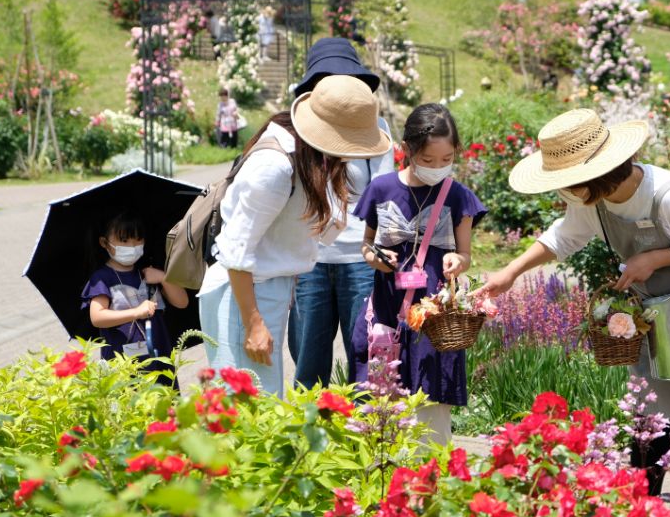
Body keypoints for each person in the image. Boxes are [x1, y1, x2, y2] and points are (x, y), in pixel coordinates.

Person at [475, 108, 670, 496]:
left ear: (593, 178)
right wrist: (510, 273)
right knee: (650, 406)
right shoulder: (594, 202)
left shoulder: (669, 195)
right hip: (657, 303)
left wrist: (654, 258)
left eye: (567, 182)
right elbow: (563, 237)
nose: (562, 191)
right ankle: (641, 508)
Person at [198, 76, 392, 397]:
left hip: (265, 289)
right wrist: (253, 323)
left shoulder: (309, 156)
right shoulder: (274, 167)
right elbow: (235, 249)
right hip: (241, 295)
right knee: (243, 406)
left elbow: (312, 230)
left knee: (263, 402)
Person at [350, 103, 487, 445]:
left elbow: (466, 253)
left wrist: (458, 259)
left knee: (431, 400)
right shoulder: (381, 189)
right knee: (382, 396)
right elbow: (366, 243)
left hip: (434, 316)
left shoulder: (458, 196)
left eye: (447, 159)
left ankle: (431, 478)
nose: (438, 167)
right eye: (428, 160)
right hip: (387, 306)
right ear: (408, 150)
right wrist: (374, 258)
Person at [287, 38, 392, 389]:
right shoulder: (298, 128)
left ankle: (365, 435)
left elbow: (385, 193)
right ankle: (307, 434)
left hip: (359, 258)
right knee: (307, 359)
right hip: (307, 260)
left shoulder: (374, 130)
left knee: (364, 354)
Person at [82, 211, 189, 382]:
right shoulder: (102, 278)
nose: (132, 246)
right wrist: (135, 312)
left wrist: (163, 278)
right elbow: (97, 316)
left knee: (163, 401)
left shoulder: (147, 271)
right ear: (104, 242)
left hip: (159, 352)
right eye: (124, 241)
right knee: (132, 403)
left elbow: (182, 302)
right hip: (123, 359)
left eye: (138, 240)